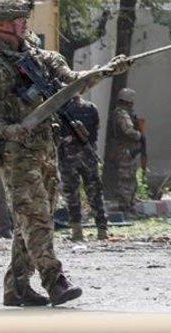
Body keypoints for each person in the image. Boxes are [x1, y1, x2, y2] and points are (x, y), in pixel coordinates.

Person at [0, 0, 130, 306]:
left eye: (24, 17)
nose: (24, 22)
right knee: (36, 217)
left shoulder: (43, 58)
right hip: (14, 153)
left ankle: (16, 288)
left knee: (33, 219)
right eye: (17, 18)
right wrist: (5, 129)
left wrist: (106, 70)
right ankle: (55, 281)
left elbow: (73, 82)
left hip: (46, 148)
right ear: (0, 24)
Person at [57, 95, 108, 241]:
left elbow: (57, 134)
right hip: (89, 155)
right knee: (95, 193)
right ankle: (102, 230)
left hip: (68, 158)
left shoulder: (61, 109)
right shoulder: (91, 108)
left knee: (72, 195)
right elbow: (96, 131)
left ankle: (77, 231)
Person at [107, 88, 144, 214]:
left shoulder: (118, 112)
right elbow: (128, 131)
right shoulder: (122, 114)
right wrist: (139, 134)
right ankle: (124, 206)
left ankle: (129, 204)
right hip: (124, 150)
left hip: (124, 149)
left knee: (130, 177)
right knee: (126, 178)